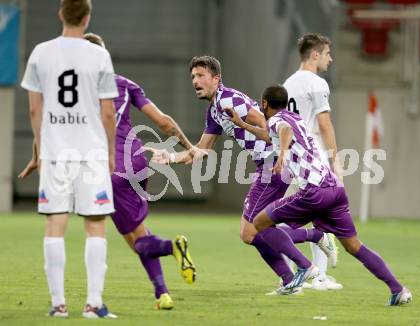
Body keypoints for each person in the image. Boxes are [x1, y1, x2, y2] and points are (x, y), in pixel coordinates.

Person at [19, 32, 201, 311]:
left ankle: (171, 248)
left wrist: (36, 157)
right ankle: (161, 292)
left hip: (106, 168)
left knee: (127, 236)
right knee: (136, 234)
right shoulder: (126, 85)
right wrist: (189, 148)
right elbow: (164, 123)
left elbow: (46, 122)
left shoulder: (73, 90)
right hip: (138, 163)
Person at [149, 55, 337, 295]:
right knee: (254, 231)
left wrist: (282, 157)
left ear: (216, 79)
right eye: (193, 77)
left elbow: (270, 124)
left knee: (250, 231)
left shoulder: (230, 100)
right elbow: (202, 150)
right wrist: (171, 158)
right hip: (267, 167)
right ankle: (292, 276)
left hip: (273, 166)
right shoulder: (215, 110)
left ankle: (307, 254)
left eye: (201, 76)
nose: (195, 81)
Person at [228, 84, 411, 305]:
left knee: (259, 222)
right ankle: (397, 289)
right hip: (335, 189)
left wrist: (282, 156)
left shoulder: (278, 121)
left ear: (264, 104)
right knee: (354, 246)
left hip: (313, 192)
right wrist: (241, 124)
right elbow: (271, 134)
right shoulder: (297, 118)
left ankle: (304, 267)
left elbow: (282, 130)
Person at [20, 0, 117, 318]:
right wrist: (111, 154)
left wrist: (39, 151)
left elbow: (35, 109)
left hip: (56, 153)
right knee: (95, 225)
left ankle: (59, 304)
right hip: (91, 153)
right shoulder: (99, 55)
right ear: (87, 18)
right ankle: (93, 304)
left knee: (55, 224)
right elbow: (107, 113)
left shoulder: (40, 52)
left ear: (61, 13)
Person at [282, 32, 343, 290]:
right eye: (328, 53)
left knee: (287, 215)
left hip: (291, 158)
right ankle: (317, 276)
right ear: (315, 54)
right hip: (312, 156)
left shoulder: (286, 84)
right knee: (323, 212)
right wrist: (335, 159)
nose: (330, 59)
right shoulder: (317, 83)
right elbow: (324, 123)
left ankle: (289, 273)